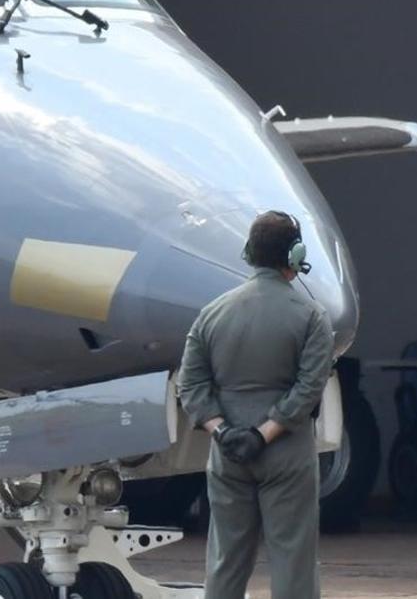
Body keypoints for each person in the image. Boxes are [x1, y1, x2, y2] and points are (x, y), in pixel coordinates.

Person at [177, 210, 335, 599]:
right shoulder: (311, 316)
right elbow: (309, 388)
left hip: (228, 452)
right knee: (293, 561)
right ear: (295, 256)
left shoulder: (211, 314)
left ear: (249, 252)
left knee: (226, 561)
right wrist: (263, 435)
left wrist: (224, 431)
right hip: (286, 451)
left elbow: (190, 385)